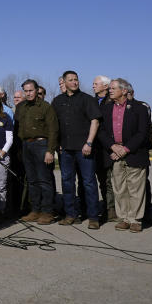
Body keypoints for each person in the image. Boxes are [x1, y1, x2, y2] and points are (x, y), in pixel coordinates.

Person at [97, 79, 151, 232]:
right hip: (114, 153)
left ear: (124, 91)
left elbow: (143, 133)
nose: (110, 91)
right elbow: (101, 132)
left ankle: (135, 219)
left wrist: (125, 149)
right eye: (110, 88)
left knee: (135, 188)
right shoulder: (106, 109)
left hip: (134, 153)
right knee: (119, 188)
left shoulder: (139, 108)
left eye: (113, 88)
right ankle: (124, 218)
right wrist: (113, 147)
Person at [51, 71, 102, 229]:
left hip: (84, 148)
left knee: (88, 182)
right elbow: (54, 125)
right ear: (64, 82)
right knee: (67, 183)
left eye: (76, 80)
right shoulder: (57, 101)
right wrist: (57, 143)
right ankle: (71, 214)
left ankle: (93, 217)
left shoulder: (87, 99)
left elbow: (95, 121)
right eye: (71, 80)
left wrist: (89, 143)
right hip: (65, 150)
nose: (74, 82)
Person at [16, 80, 59, 225]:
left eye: (31, 90)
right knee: (32, 180)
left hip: (41, 145)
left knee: (44, 180)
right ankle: (35, 210)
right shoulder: (21, 107)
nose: (28, 93)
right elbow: (18, 128)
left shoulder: (46, 107)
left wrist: (50, 151)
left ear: (36, 90)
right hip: (26, 146)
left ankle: (47, 212)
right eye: (26, 91)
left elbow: (53, 130)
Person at [91, 75, 116, 222]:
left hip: (110, 146)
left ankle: (113, 209)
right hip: (96, 147)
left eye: (96, 84)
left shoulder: (112, 102)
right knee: (102, 179)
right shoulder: (92, 102)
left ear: (105, 86)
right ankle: (107, 207)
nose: (93, 86)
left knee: (112, 181)